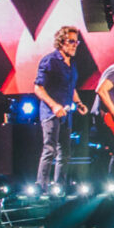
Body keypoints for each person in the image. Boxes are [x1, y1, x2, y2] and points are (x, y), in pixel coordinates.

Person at [33, 25, 87, 194]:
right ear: (61, 42)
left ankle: (59, 187)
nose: (74, 45)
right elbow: (38, 88)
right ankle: (41, 186)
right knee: (50, 149)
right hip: (51, 113)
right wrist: (54, 105)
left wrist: (78, 103)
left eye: (76, 42)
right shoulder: (50, 60)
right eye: (71, 41)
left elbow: (71, 87)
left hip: (66, 114)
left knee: (65, 152)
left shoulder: (72, 64)